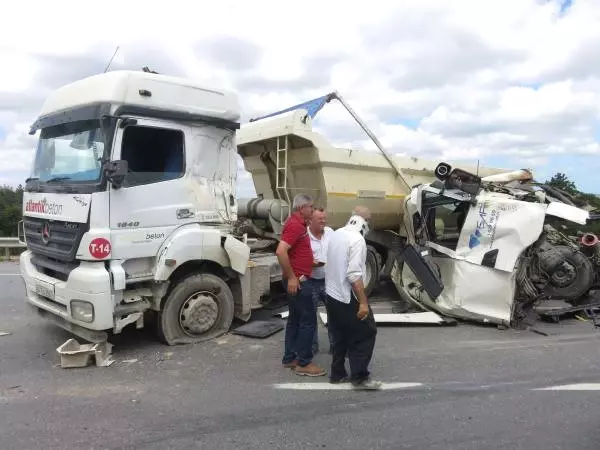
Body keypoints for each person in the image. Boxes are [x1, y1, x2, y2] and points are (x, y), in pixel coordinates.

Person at [324, 205, 382, 390]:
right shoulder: (357, 240)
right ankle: (360, 377)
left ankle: (337, 373)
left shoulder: (337, 233)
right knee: (366, 332)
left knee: (340, 334)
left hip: (331, 294)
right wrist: (363, 302)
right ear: (367, 223)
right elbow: (354, 275)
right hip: (346, 295)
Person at [276, 193, 326, 377]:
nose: (313, 210)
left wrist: (307, 262)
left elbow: (294, 252)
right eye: (311, 207)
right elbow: (281, 251)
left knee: (296, 319)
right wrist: (292, 277)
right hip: (299, 282)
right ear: (301, 208)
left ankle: (290, 358)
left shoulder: (299, 225)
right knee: (308, 321)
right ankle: (304, 362)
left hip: (298, 278)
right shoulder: (295, 225)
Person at [307, 207, 334, 355]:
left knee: (335, 315)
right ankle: (312, 348)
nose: (323, 221)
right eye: (320, 219)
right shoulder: (304, 236)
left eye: (325, 218)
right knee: (310, 317)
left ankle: (335, 347)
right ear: (311, 220)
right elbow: (298, 259)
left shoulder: (330, 232)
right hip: (311, 281)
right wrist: (310, 262)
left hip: (329, 280)